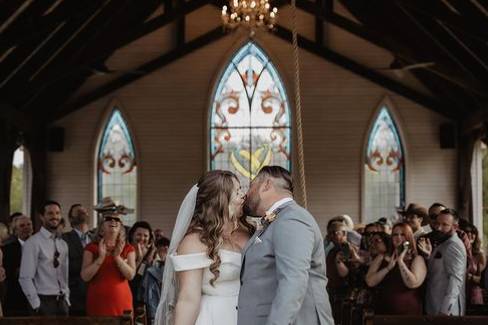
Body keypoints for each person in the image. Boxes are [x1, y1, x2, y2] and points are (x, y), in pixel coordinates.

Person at [238, 166, 334, 325]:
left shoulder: (292, 219)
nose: (247, 193)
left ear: (266, 185)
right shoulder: (277, 219)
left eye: (251, 185)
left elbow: (293, 280)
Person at [154, 170, 251, 325]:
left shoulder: (247, 233)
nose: (243, 196)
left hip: (247, 314)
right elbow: (188, 299)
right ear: (220, 200)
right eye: (237, 191)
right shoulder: (194, 242)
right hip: (215, 316)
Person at [81, 198, 136, 316]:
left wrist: (117, 257)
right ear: (101, 227)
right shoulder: (91, 248)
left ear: (121, 227)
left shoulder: (128, 248)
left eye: (117, 219)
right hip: (97, 303)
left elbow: (130, 275)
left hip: (122, 303)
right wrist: (100, 258)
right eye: (109, 219)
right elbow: (85, 276)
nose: (113, 221)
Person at [19, 201, 70, 316]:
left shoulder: (63, 244)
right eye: (50, 213)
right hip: (43, 302)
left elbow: (64, 275)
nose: (55, 217)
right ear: (42, 217)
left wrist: (67, 298)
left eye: (57, 213)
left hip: (62, 302)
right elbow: (25, 277)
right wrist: (36, 304)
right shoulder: (33, 243)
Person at [366, 223, 426, 314]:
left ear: (409, 237)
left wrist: (401, 262)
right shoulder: (382, 257)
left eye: (403, 235)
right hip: (383, 310)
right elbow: (370, 282)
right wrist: (387, 268)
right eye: (395, 234)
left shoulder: (417, 259)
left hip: (408, 311)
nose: (398, 237)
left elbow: (412, 284)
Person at [423, 208, 467, 316]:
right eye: (437, 223)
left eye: (444, 224)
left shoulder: (454, 245)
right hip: (434, 307)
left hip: (447, 312)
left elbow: (456, 280)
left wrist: (445, 311)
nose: (439, 227)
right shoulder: (443, 242)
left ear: (455, 227)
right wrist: (428, 257)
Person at [62, 204, 91, 316]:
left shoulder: (96, 238)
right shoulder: (64, 238)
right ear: (70, 218)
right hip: (75, 296)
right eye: (78, 211)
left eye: (84, 211)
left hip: (96, 294)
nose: (82, 212)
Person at [3, 214, 33, 316]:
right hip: (16, 297)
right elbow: (6, 274)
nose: (26, 228)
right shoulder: (7, 249)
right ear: (15, 231)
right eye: (22, 226)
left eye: (29, 224)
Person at [142, 236, 170, 323]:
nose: (166, 247)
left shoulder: (171, 263)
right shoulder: (152, 264)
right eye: (163, 245)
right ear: (157, 248)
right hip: (153, 304)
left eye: (167, 245)